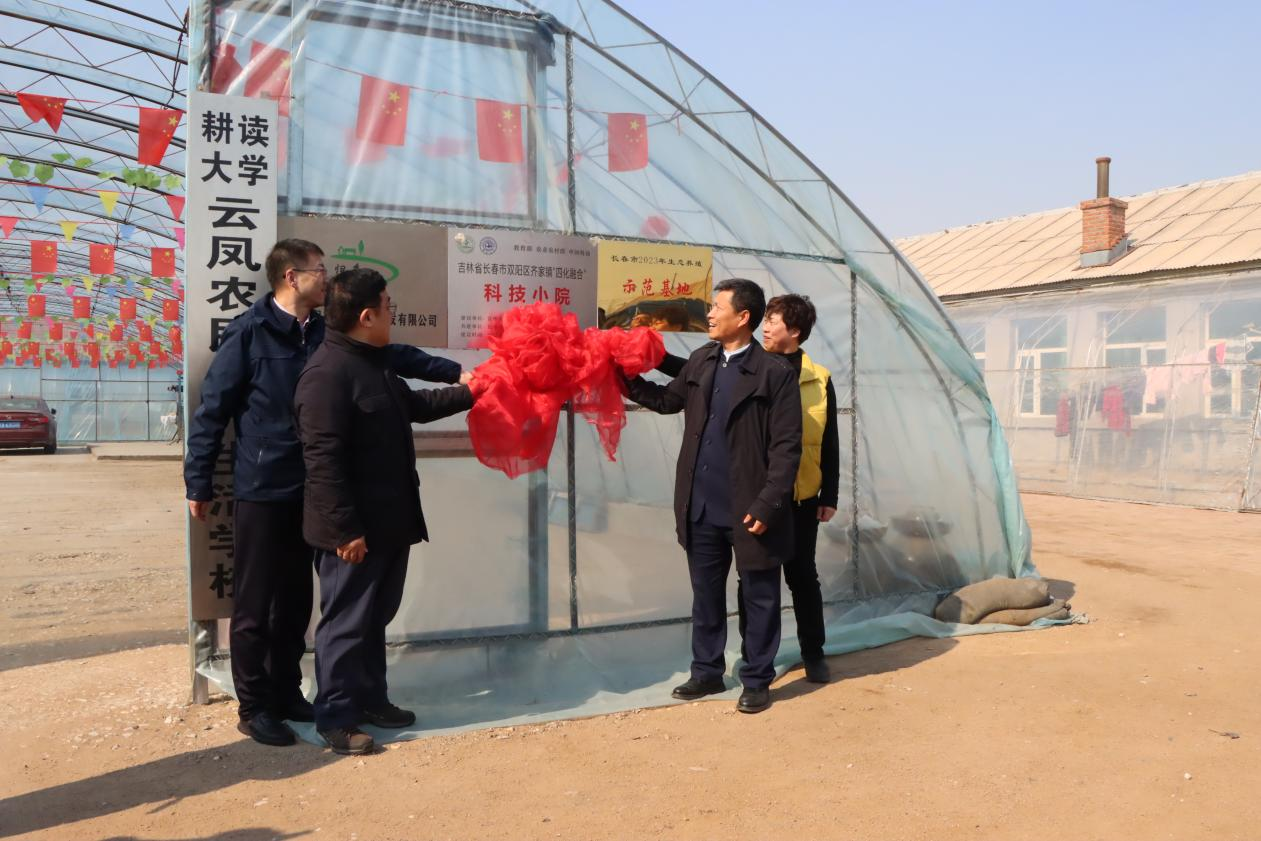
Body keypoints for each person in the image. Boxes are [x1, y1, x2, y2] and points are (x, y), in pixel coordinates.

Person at [184, 239, 468, 749]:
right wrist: (198, 480)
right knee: (256, 602)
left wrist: (455, 373)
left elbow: (393, 354)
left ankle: (289, 691)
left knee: (299, 601)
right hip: (266, 485)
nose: (326, 276)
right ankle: (255, 706)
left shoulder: (323, 333)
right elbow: (213, 410)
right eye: (319, 269)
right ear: (292, 277)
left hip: (317, 489)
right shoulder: (250, 333)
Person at [293, 268, 475, 756]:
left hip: (390, 520)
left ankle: (371, 699)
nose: (393, 314)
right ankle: (336, 716)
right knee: (346, 621)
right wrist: (344, 530)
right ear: (367, 316)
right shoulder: (326, 375)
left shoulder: (372, 362)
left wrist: (474, 390)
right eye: (389, 306)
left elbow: (413, 406)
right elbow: (323, 462)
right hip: (353, 531)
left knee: (375, 616)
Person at [622, 278, 801, 714]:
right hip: (700, 503)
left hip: (749, 507)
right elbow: (667, 401)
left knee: (758, 595)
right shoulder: (702, 360)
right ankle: (706, 671)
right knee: (705, 593)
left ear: (743, 317)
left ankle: (756, 679)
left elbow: (786, 447)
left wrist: (768, 503)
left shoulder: (774, 373)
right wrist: (622, 377)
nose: (710, 314)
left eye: (718, 307)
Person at [655, 293, 839, 684]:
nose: (766, 327)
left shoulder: (814, 378)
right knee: (746, 581)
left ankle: (811, 653)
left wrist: (829, 495)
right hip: (749, 492)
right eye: (765, 318)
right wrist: (647, 357)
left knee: (799, 577)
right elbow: (693, 378)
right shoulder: (736, 363)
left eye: (774, 321)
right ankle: (739, 661)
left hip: (797, 497)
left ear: (795, 331)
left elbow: (826, 442)